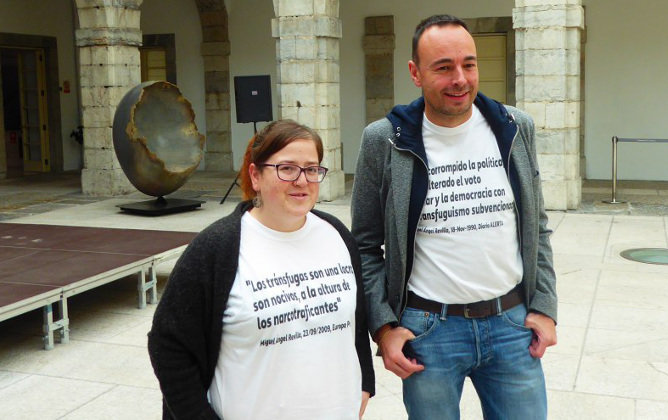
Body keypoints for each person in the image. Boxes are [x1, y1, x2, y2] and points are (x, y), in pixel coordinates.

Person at [351, 14, 557, 420]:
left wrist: (546, 307)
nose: (460, 78)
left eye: (469, 63)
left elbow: (538, 225)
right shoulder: (384, 140)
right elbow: (364, 246)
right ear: (415, 72)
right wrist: (384, 327)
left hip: (512, 327)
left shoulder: (515, 128)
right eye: (443, 67)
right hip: (429, 332)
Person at [149, 119, 374, 419]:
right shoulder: (217, 247)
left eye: (311, 168)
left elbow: (354, 322)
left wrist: (365, 383)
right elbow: (169, 345)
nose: (302, 180)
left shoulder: (336, 234)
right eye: (287, 168)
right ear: (255, 175)